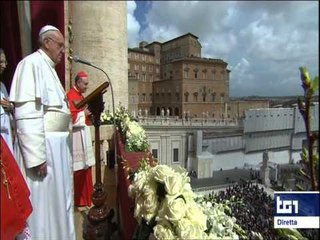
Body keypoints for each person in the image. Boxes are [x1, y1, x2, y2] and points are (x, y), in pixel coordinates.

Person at [9, 25, 75, 239]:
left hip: (57, 150)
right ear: (47, 43)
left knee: (58, 205)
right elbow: (27, 113)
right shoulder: (31, 65)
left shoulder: (49, 69)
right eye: (60, 46)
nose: (63, 51)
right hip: (44, 151)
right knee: (44, 208)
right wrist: (36, 157)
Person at [1, 48, 32, 240]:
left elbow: (10, 113)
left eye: (5, 61)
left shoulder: (3, 86)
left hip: (6, 142)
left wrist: (11, 108)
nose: (5, 65)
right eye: (1, 61)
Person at [67, 71, 95, 209]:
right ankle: (79, 200)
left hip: (83, 134)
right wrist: (83, 114)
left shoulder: (80, 96)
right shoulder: (71, 95)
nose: (86, 86)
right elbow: (69, 118)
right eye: (85, 84)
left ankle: (87, 198)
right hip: (76, 137)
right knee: (78, 169)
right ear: (78, 82)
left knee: (85, 167)